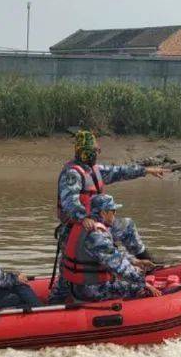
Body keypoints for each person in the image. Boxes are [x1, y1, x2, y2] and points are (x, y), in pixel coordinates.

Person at [51, 128, 163, 299]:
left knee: (125, 226)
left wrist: (145, 171)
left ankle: (147, 261)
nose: (98, 153)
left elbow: (119, 171)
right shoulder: (72, 174)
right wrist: (83, 218)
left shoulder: (94, 170)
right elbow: (69, 202)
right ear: (85, 152)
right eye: (95, 150)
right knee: (81, 257)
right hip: (76, 227)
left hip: (96, 221)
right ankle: (60, 296)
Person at [62, 194, 163, 302]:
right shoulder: (96, 235)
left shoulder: (81, 226)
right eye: (113, 211)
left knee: (128, 277)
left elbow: (108, 255)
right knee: (142, 289)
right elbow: (118, 264)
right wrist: (142, 283)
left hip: (79, 286)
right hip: (92, 290)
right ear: (103, 213)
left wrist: (135, 261)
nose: (115, 215)